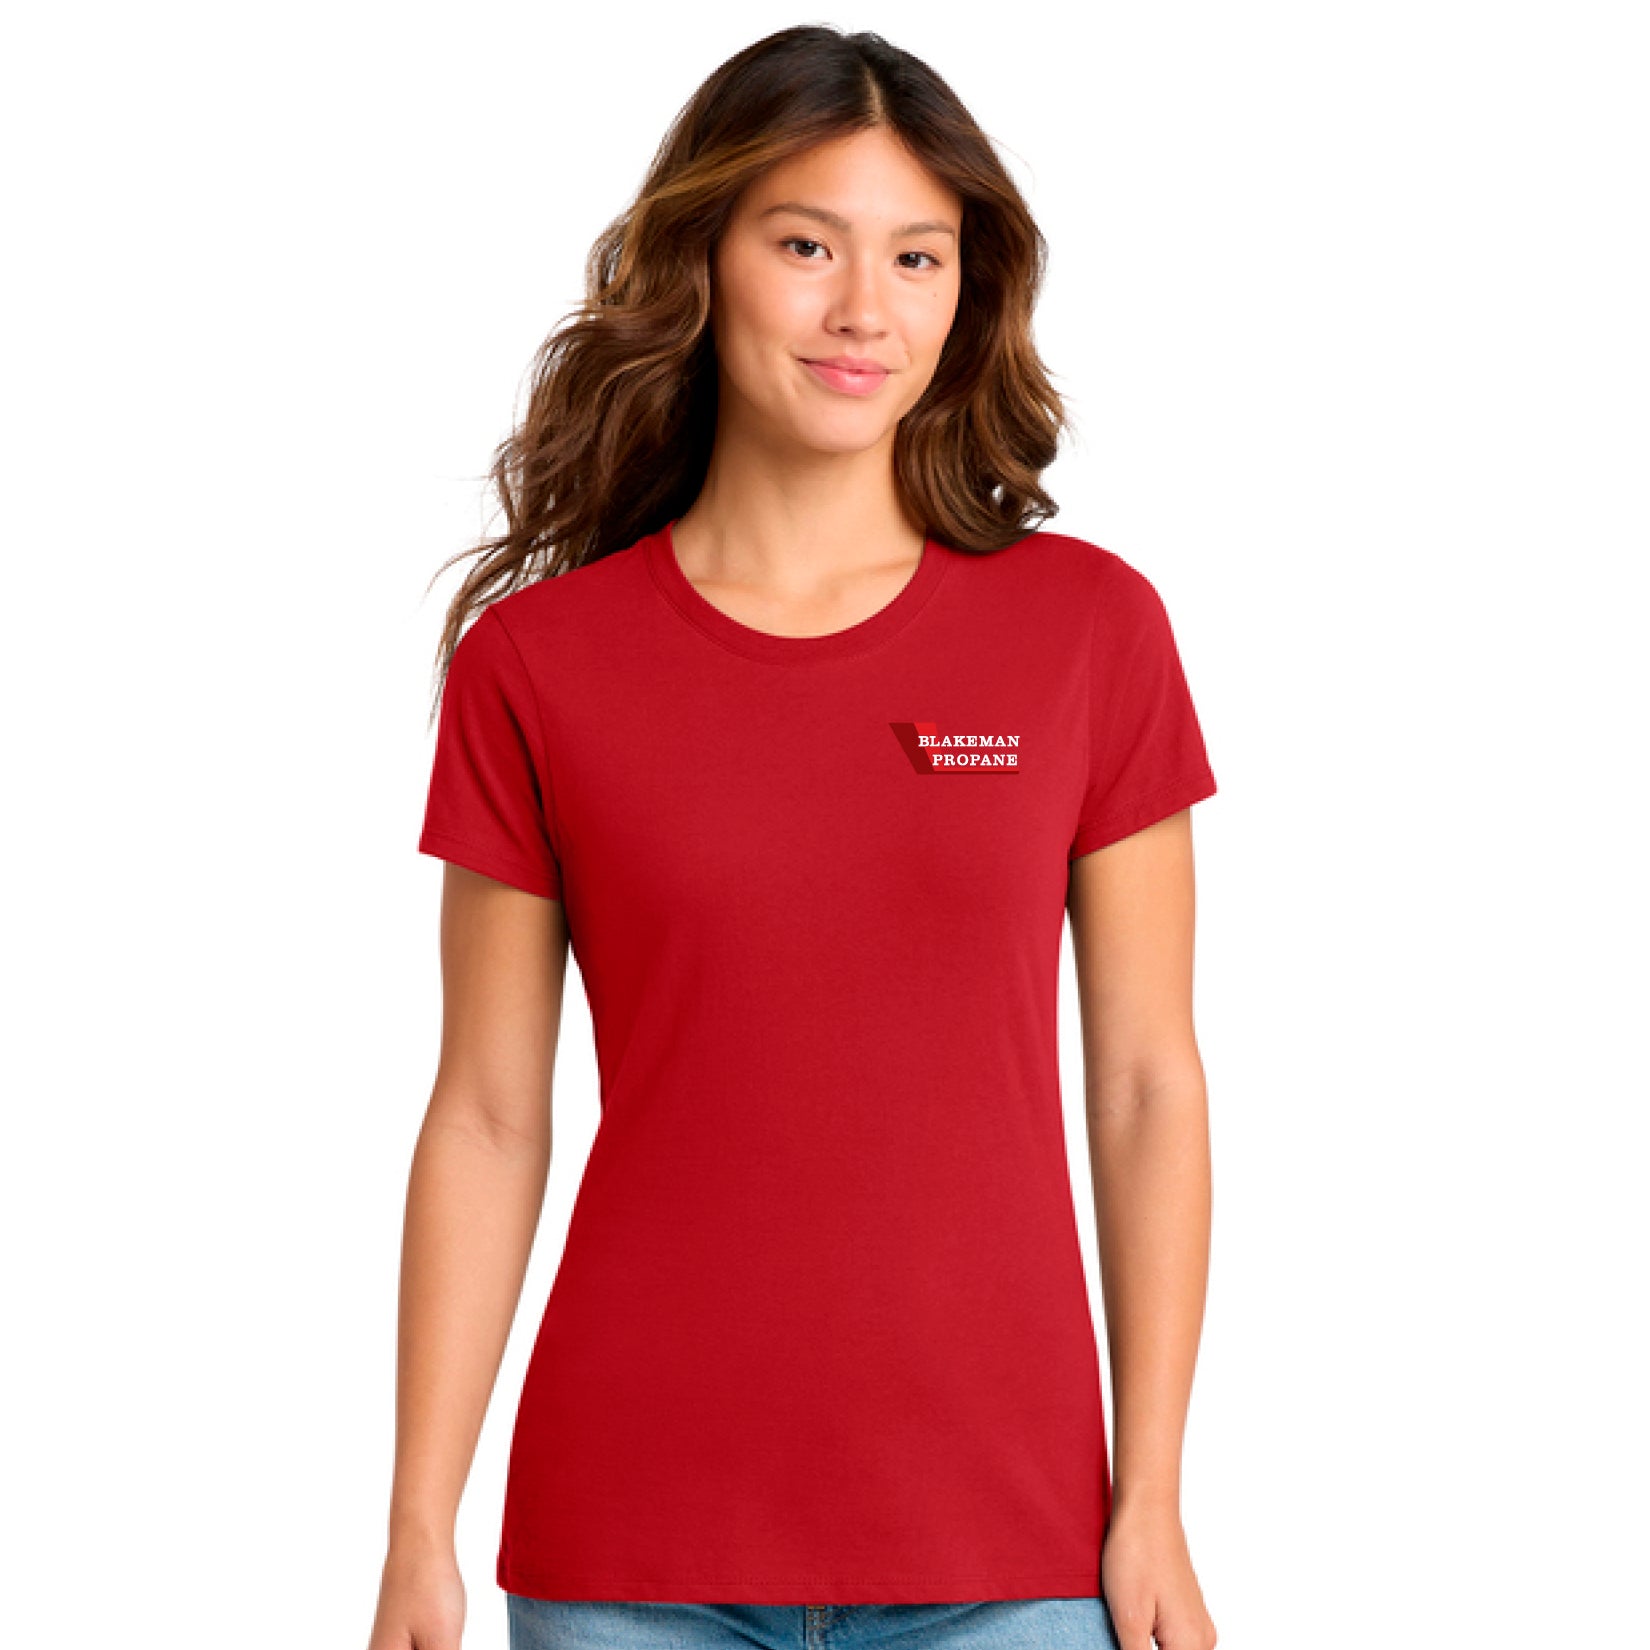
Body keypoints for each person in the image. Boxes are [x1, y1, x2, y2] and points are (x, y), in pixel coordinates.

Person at [369, 25, 1220, 1650]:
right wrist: (420, 1522)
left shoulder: (1088, 632)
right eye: (807, 246)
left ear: (967, 290)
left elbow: (1144, 1084)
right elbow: (485, 1113)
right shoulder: (538, 665)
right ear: (701, 259)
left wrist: (1154, 1495)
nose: (863, 311)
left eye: (917, 256)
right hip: (628, 1549)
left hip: (1011, 1545)